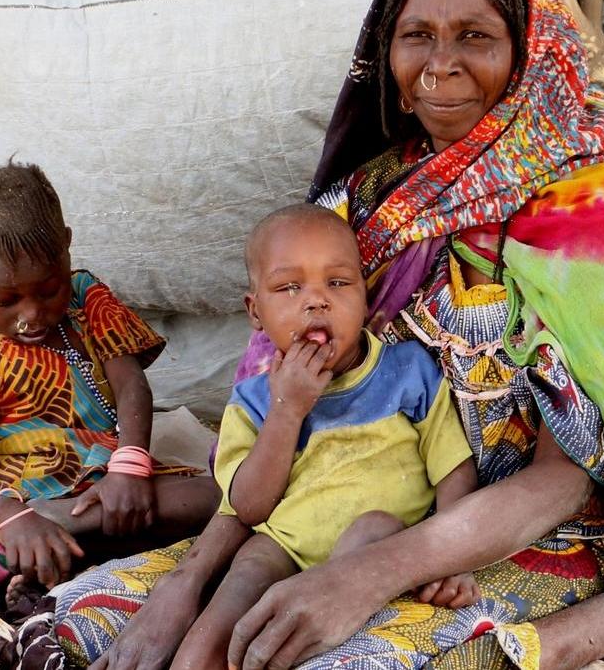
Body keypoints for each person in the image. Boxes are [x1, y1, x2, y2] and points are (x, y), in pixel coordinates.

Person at [45, 0, 604, 670]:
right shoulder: (361, 200)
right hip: (334, 512)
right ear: (386, 56)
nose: (441, 63)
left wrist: (367, 576)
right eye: (417, 34)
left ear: (528, 50)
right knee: (84, 623)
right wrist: (191, 581)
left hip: (514, 535)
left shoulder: (588, 205)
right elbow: (281, 413)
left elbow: (565, 473)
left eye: (475, 36)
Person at [0, 162, 219, 592]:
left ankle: (76, 541)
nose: (32, 314)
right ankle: (63, 534)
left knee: (220, 498)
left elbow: (130, 383)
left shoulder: (85, 297)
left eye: (48, 290)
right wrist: (10, 515)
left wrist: (129, 467)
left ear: (67, 246)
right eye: (8, 299)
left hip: (109, 482)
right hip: (30, 501)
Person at [168, 204, 480, 669]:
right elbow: (250, 507)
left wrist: (455, 558)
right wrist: (287, 410)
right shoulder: (253, 401)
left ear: (364, 294)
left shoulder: (408, 371)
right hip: (285, 546)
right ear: (255, 312)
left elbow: (454, 469)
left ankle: (314, 630)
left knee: (371, 529)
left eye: (337, 283)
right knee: (240, 581)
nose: (316, 301)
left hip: (373, 549)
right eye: (289, 287)